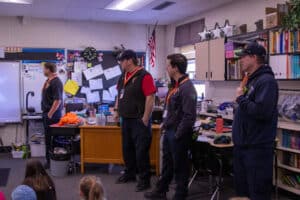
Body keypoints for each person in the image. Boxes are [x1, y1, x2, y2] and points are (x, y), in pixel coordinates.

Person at [145, 54, 197, 200]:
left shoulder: (187, 88)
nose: (166, 68)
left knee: (180, 167)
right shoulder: (175, 86)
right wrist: (165, 124)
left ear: (175, 68)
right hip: (170, 130)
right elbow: (171, 110)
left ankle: (180, 195)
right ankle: (161, 190)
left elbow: (189, 117)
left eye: (168, 65)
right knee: (167, 164)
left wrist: (177, 134)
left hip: (178, 134)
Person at [233, 42, 278, 200]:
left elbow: (261, 112)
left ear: (254, 58)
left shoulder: (266, 81)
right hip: (244, 147)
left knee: (257, 193)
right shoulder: (250, 80)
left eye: (244, 57)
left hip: (257, 149)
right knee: (243, 193)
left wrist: (240, 99)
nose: (241, 60)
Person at [115, 50, 156, 192]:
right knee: (127, 150)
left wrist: (145, 117)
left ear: (129, 61)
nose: (120, 63)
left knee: (141, 152)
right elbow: (119, 94)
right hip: (125, 119)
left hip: (139, 121)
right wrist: (116, 111)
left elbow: (150, 97)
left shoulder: (144, 76)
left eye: (121, 60)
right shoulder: (123, 76)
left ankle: (145, 181)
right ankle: (129, 174)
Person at [41, 62, 63, 169]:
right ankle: (49, 160)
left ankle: (52, 161)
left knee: (51, 139)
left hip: (52, 115)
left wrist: (50, 114)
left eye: (44, 69)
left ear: (49, 70)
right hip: (47, 114)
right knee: (48, 139)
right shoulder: (48, 81)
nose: (43, 71)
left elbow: (57, 100)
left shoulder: (56, 82)